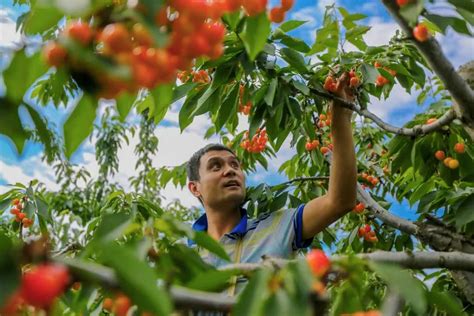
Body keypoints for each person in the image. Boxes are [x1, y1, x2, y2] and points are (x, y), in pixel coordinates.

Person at [186, 73, 356, 295]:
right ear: (195, 187)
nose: (230, 170)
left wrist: (340, 119)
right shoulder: (184, 254)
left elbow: (340, 201)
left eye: (235, 165)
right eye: (215, 167)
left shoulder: (278, 226)